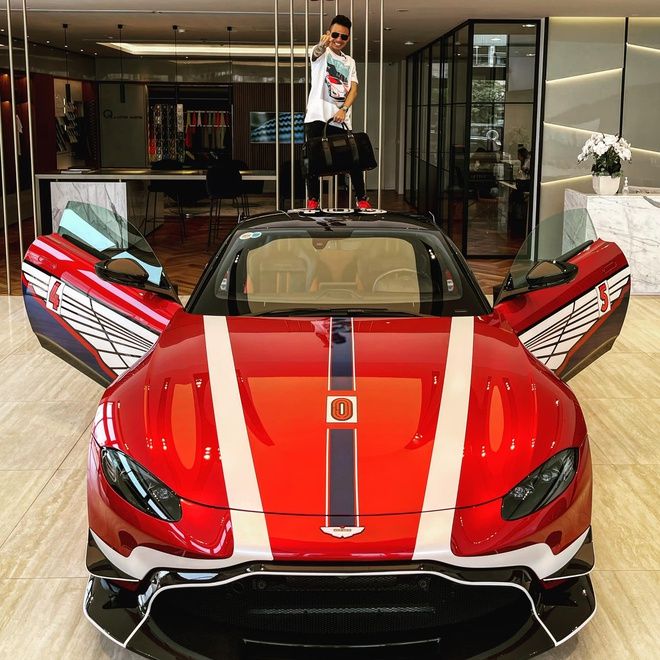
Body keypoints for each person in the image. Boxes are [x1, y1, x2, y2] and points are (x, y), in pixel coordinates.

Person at [304, 14, 371, 210]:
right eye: (335, 35)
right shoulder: (320, 53)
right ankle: (313, 200)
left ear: (348, 38)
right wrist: (322, 44)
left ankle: (361, 198)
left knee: (353, 160)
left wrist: (344, 109)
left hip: (340, 119)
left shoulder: (350, 61)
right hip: (317, 116)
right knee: (313, 160)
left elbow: (354, 89)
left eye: (344, 36)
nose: (339, 39)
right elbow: (316, 52)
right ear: (328, 34)